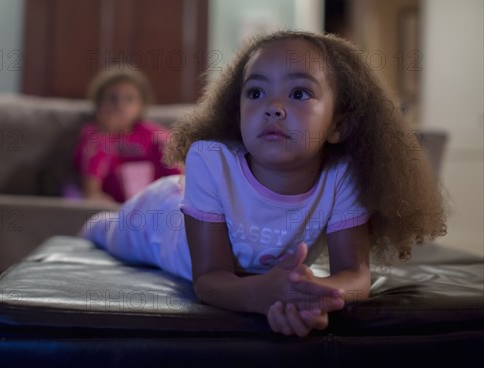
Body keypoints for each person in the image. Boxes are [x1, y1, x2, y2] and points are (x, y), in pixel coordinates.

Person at [80, 30, 448, 337]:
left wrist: (310, 296)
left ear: (339, 125)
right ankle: (94, 223)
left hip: (190, 207)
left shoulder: (342, 176)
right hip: (158, 222)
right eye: (255, 93)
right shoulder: (208, 158)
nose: (273, 106)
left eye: (299, 93)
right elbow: (209, 279)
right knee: (104, 229)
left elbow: (355, 275)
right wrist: (265, 294)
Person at [72, 66, 182, 203]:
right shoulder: (93, 134)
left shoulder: (151, 133)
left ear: (141, 106)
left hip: (150, 205)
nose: (120, 105)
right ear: (99, 104)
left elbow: (176, 170)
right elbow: (89, 184)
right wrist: (106, 133)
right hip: (111, 207)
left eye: (129, 99)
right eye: (112, 98)